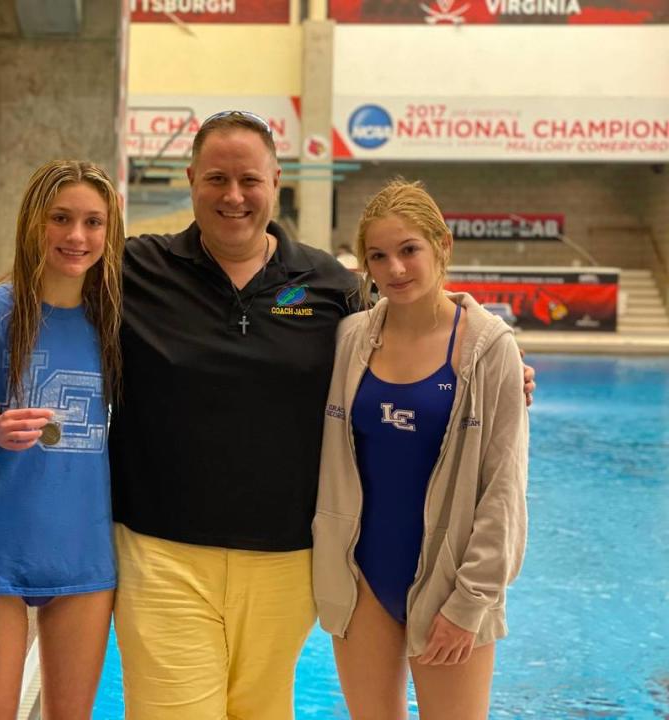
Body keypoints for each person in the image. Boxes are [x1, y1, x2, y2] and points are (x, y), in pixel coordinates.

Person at [110, 112, 536, 719]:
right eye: (216, 179)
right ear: (191, 180)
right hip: (199, 558)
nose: (234, 196)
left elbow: (425, 335)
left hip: (301, 563)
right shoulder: (135, 270)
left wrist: (502, 364)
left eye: (249, 179)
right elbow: (48, 301)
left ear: (276, 181)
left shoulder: (329, 287)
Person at [312, 179, 529, 720]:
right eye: (378, 257)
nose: (395, 269)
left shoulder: (489, 349)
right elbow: (283, 307)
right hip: (361, 577)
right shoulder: (348, 338)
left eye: (409, 250)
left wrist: (472, 601)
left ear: (442, 246)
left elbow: (504, 490)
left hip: (451, 581)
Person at [0, 160, 125, 720]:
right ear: (34, 222)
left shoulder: (119, 322)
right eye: (61, 218)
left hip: (83, 555)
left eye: (92, 222)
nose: (77, 236)